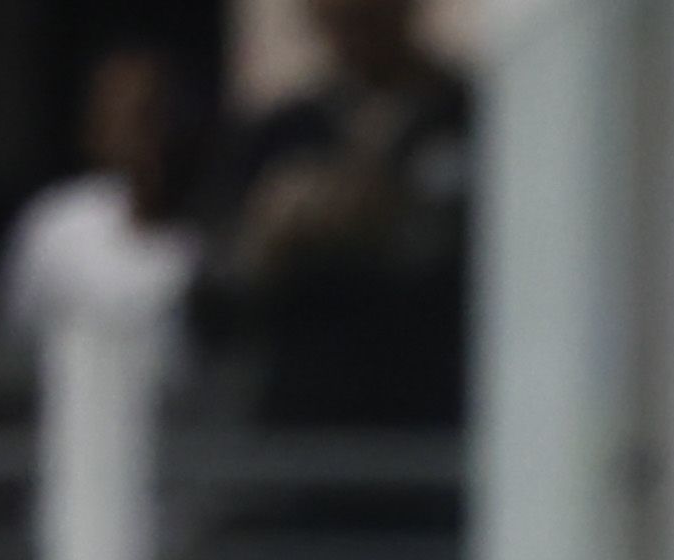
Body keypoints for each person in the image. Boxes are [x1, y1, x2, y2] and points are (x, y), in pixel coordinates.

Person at [194, 0, 472, 428]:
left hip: (435, 431)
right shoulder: (283, 135)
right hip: (304, 437)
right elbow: (210, 309)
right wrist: (266, 242)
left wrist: (397, 224)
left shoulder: (474, 119)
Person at [0, 44, 204, 405]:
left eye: (148, 113)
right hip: (73, 438)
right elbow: (4, 364)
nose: (134, 132)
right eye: (116, 111)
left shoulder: (200, 239)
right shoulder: (55, 225)